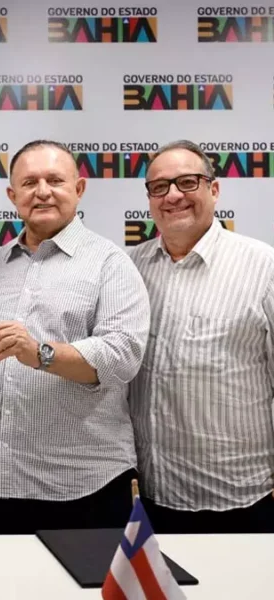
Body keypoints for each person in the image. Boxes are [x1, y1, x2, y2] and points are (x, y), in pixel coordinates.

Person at [0, 140, 150, 535]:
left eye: (55, 180)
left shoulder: (110, 263)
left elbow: (122, 355)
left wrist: (40, 352)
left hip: (83, 488)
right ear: (13, 196)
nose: (42, 191)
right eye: (29, 182)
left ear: (79, 188)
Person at [129, 140, 274, 533]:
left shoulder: (264, 267)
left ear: (214, 189)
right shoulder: (129, 268)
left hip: (241, 501)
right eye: (159, 187)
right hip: (152, 502)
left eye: (187, 182)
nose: (173, 195)